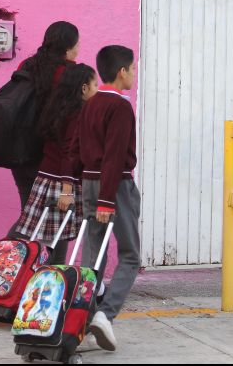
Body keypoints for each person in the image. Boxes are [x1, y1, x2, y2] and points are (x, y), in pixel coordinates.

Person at [79, 45, 140, 352]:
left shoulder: (91, 104)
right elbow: (115, 155)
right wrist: (107, 199)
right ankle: (106, 314)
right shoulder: (120, 107)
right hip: (113, 186)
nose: (134, 73)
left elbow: (81, 148)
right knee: (130, 255)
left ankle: (82, 320)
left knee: (93, 258)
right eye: (132, 68)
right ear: (121, 72)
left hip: (89, 182)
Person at [13, 64, 98, 264]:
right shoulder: (78, 115)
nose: (98, 89)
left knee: (46, 237)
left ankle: (38, 276)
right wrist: (67, 190)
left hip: (46, 178)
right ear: (84, 88)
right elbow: (70, 152)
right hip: (61, 184)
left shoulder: (58, 108)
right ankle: (50, 279)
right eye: (95, 84)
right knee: (54, 239)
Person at [9, 21, 80, 241]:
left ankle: (15, 268)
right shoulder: (70, 75)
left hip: (21, 152)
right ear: (69, 47)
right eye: (77, 44)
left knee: (29, 218)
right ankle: (9, 263)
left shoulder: (26, 65)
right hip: (51, 159)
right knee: (54, 227)